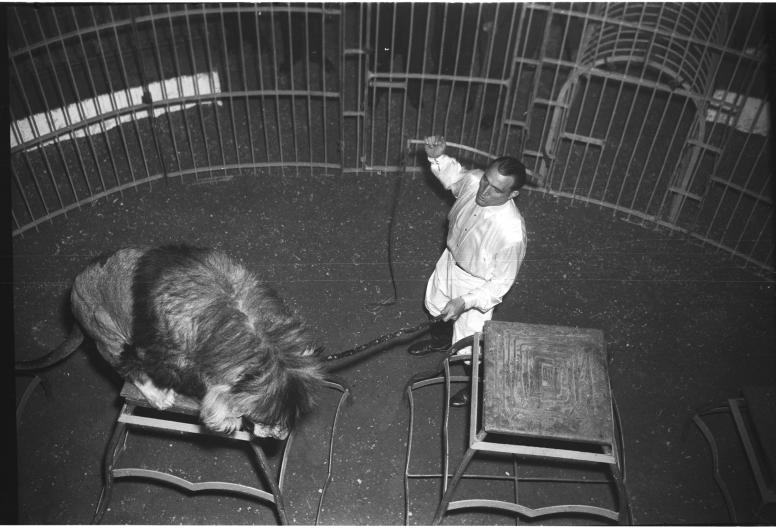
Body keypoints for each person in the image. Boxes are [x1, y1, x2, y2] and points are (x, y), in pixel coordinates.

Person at [408, 135, 527, 407]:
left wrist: (466, 301)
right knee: (436, 305)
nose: (484, 191)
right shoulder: (476, 182)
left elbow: (499, 285)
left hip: (476, 286)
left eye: (496, 189)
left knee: (472, 346)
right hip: (449, 261)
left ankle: (476, 388)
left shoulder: (512, 234)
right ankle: (440, 340)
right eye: (486, 180)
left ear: (513, 194)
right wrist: (437, 157)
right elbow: (456, 178)